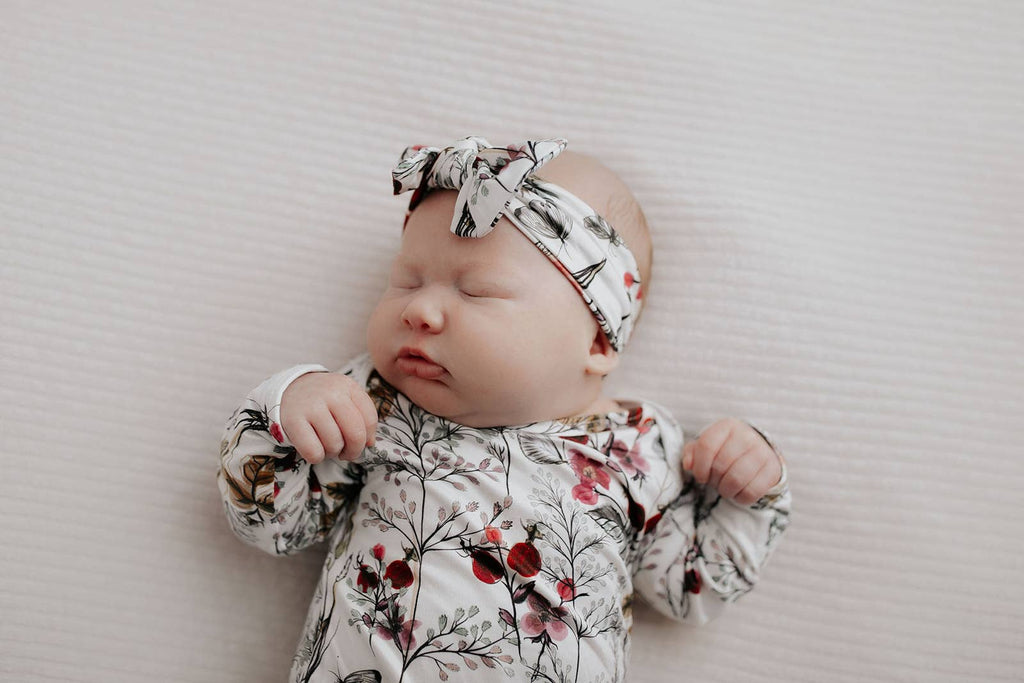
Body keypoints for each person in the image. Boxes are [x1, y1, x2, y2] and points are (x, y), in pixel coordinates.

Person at [216, 137, 792, 683]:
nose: (421, 310)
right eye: (405, 281)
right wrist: (284, 415)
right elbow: (275, 527)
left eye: (476, 291)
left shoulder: (637, 445)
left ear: (596, 341)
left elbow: (689, 588)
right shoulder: (375, 403)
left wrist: (748, 495)